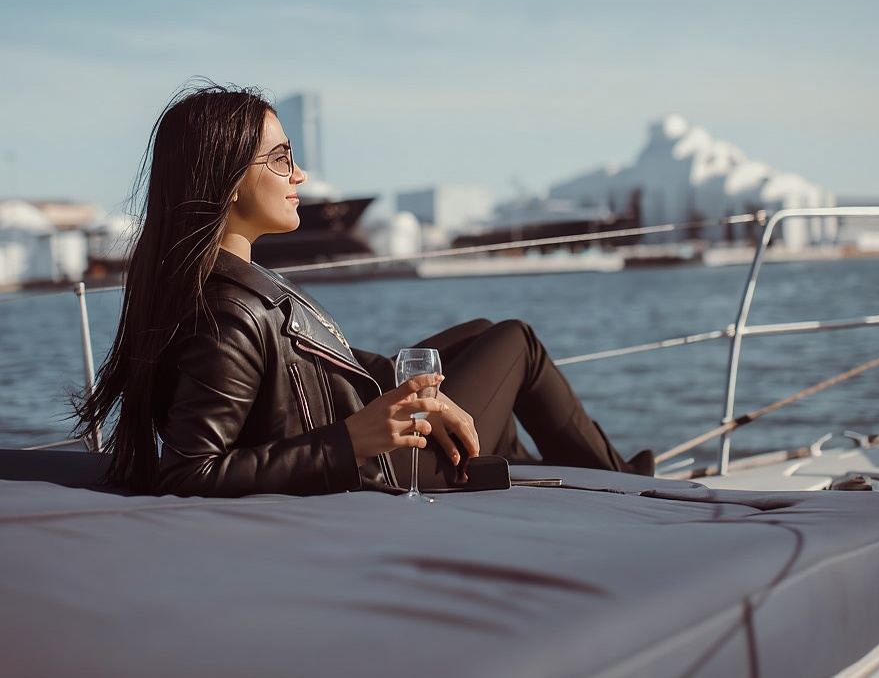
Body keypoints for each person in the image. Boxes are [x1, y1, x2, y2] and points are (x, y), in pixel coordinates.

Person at [77, 82, 652, 497]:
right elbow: (188, 470)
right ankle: (620, 484)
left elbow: (319, 364)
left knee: (478, 336)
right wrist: (352, 440)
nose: (298, 175)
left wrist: (415, 386)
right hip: (385, 465)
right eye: (280, 159)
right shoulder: (228, 315)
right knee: (516, 342)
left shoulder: (233, 286)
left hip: (368, 438)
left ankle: (521, 464)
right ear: (226, 181)